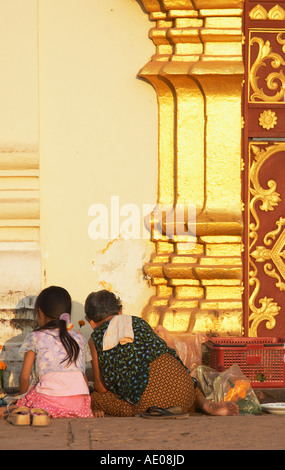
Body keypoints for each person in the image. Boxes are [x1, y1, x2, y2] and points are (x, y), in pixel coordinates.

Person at [85, 290, 239, 418]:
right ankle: (203, 403)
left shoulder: (95, 338)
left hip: (147, 403)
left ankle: (163, 407)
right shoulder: (138, 322)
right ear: (120, 312)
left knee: (94, 398)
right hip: (184, 392)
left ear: (91, 322)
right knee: (182, 380)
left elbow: (101, 387)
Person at [13, 286, 97, 418]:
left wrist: (21, 402)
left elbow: (24, 376)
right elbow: (82, 376)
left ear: (40, 313)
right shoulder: (78, 337)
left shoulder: (35, 337)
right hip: (79, 406)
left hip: (46, 403)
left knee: (20, 401)